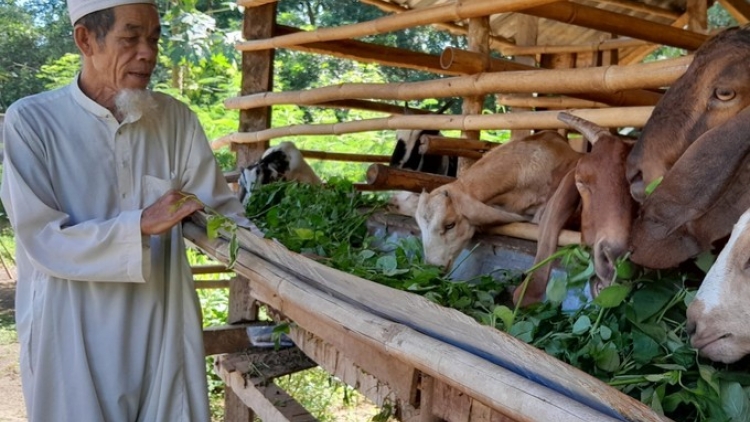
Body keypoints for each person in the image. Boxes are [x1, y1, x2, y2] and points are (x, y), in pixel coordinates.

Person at [0, 0, 254, 420]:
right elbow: (41, 237)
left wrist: (282, 253)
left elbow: (221, 215)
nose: (148, 53)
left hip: (161, 320)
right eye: (130, 38)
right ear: (86, 40)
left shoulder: (176, 121)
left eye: (153, 39)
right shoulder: (33, 122)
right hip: (70, 329)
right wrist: (139, 223)